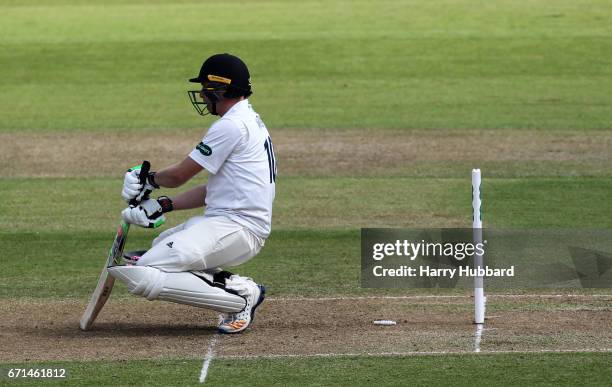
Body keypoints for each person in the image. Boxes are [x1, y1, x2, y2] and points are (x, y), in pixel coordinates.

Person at [108, 53, 276, 334]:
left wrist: (148, 180)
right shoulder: (246, 119)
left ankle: (243, 295)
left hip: (239, 227)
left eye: (204, 88)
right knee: (151, 251)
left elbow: (178, 176)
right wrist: (164, 205)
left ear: (219, 89)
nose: (200, 94)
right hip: (228, 222)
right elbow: (216, 190)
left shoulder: (231, 126)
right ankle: (231, 286)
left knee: (144, 273)